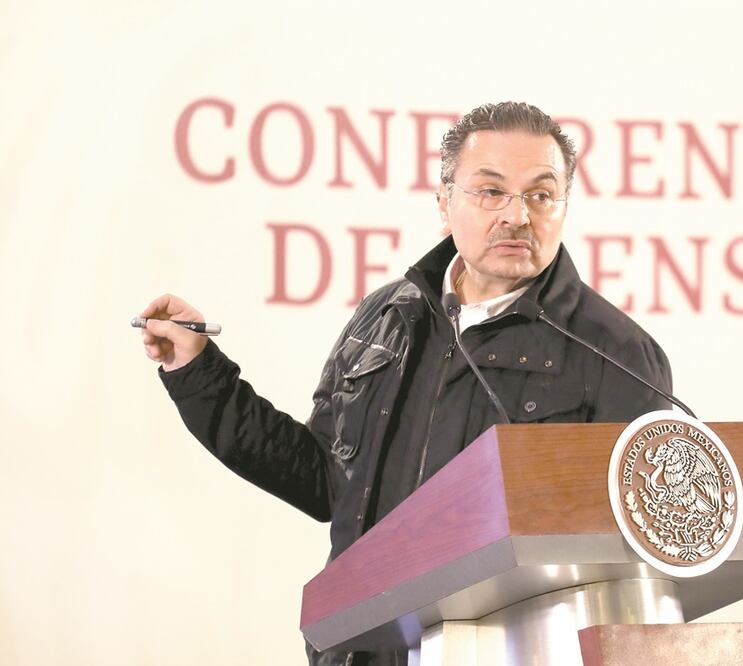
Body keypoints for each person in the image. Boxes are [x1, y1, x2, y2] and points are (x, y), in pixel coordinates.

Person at [139, 101, 673, 666]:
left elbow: (640, 555)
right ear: (444, 202)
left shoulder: (615, 353)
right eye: (491, 191)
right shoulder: (388, 316)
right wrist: (198, 371)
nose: (517, 215)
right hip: (360, 652)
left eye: (541, 194)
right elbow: (324, 482)